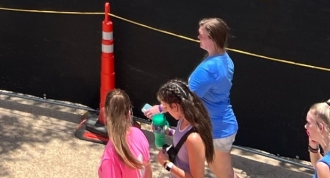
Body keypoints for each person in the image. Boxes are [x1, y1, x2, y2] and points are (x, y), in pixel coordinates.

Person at [143, 18, 237, 178]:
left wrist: (159, 108)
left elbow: (182, 100)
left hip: (217, 131)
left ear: (213, 38)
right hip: (221, 126)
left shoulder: (207, 71)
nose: (198, 37)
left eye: (201, 35)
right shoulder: (226, 60)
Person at [154, 79, 213, 178]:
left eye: (166, 107)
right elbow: (182, 138)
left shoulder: (194, 138)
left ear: (174, 106)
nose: (166, 111)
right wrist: (167, 131)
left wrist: (166, 164)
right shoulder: (182, 119)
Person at [98, 89, 150, 178]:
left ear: (105, 113)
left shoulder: (110, 156)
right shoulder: (139, 134)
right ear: (129, 113)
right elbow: (148, 171)